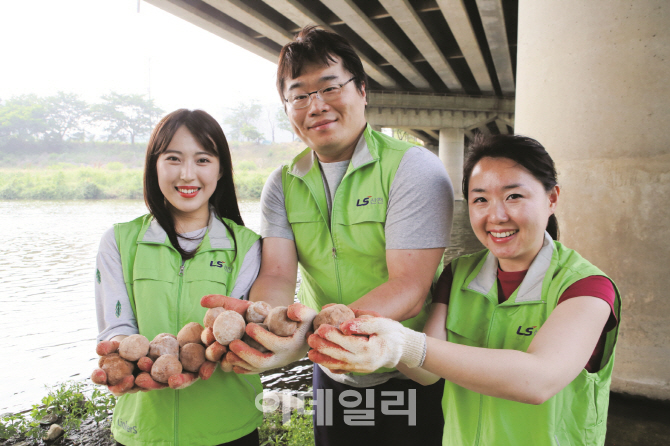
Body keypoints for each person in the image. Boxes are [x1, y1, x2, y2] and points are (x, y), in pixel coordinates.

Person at [221, 26, 454, 446]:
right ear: (287, 107)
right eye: (299, 95)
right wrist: (265, 329)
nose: (317, 105)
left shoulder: (414, 168)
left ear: (362, 90)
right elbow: (276, 275)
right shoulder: (283, 182)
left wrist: (318, 335)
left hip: (410, 367)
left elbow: (410, 286)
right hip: (331, 371)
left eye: (329, 87)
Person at [309, 134, 621, 446]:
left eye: (513, 196)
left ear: (552, 198)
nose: (496, 216)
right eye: (480, 199)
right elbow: (427, 374)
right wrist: (374, 339)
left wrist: (403, 343)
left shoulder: (587, 287)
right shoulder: (458, 273)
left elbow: (537, 381)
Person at [94, 109, 263, 446]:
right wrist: (122, 356)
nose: (188, 175)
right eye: (173, 158)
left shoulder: (247, 246)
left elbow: (244, 333)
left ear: (221, 170)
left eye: (202, 160)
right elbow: (116, 327)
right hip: (144, 429)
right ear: (154, 165)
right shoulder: (119, 241)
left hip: (228, 427)